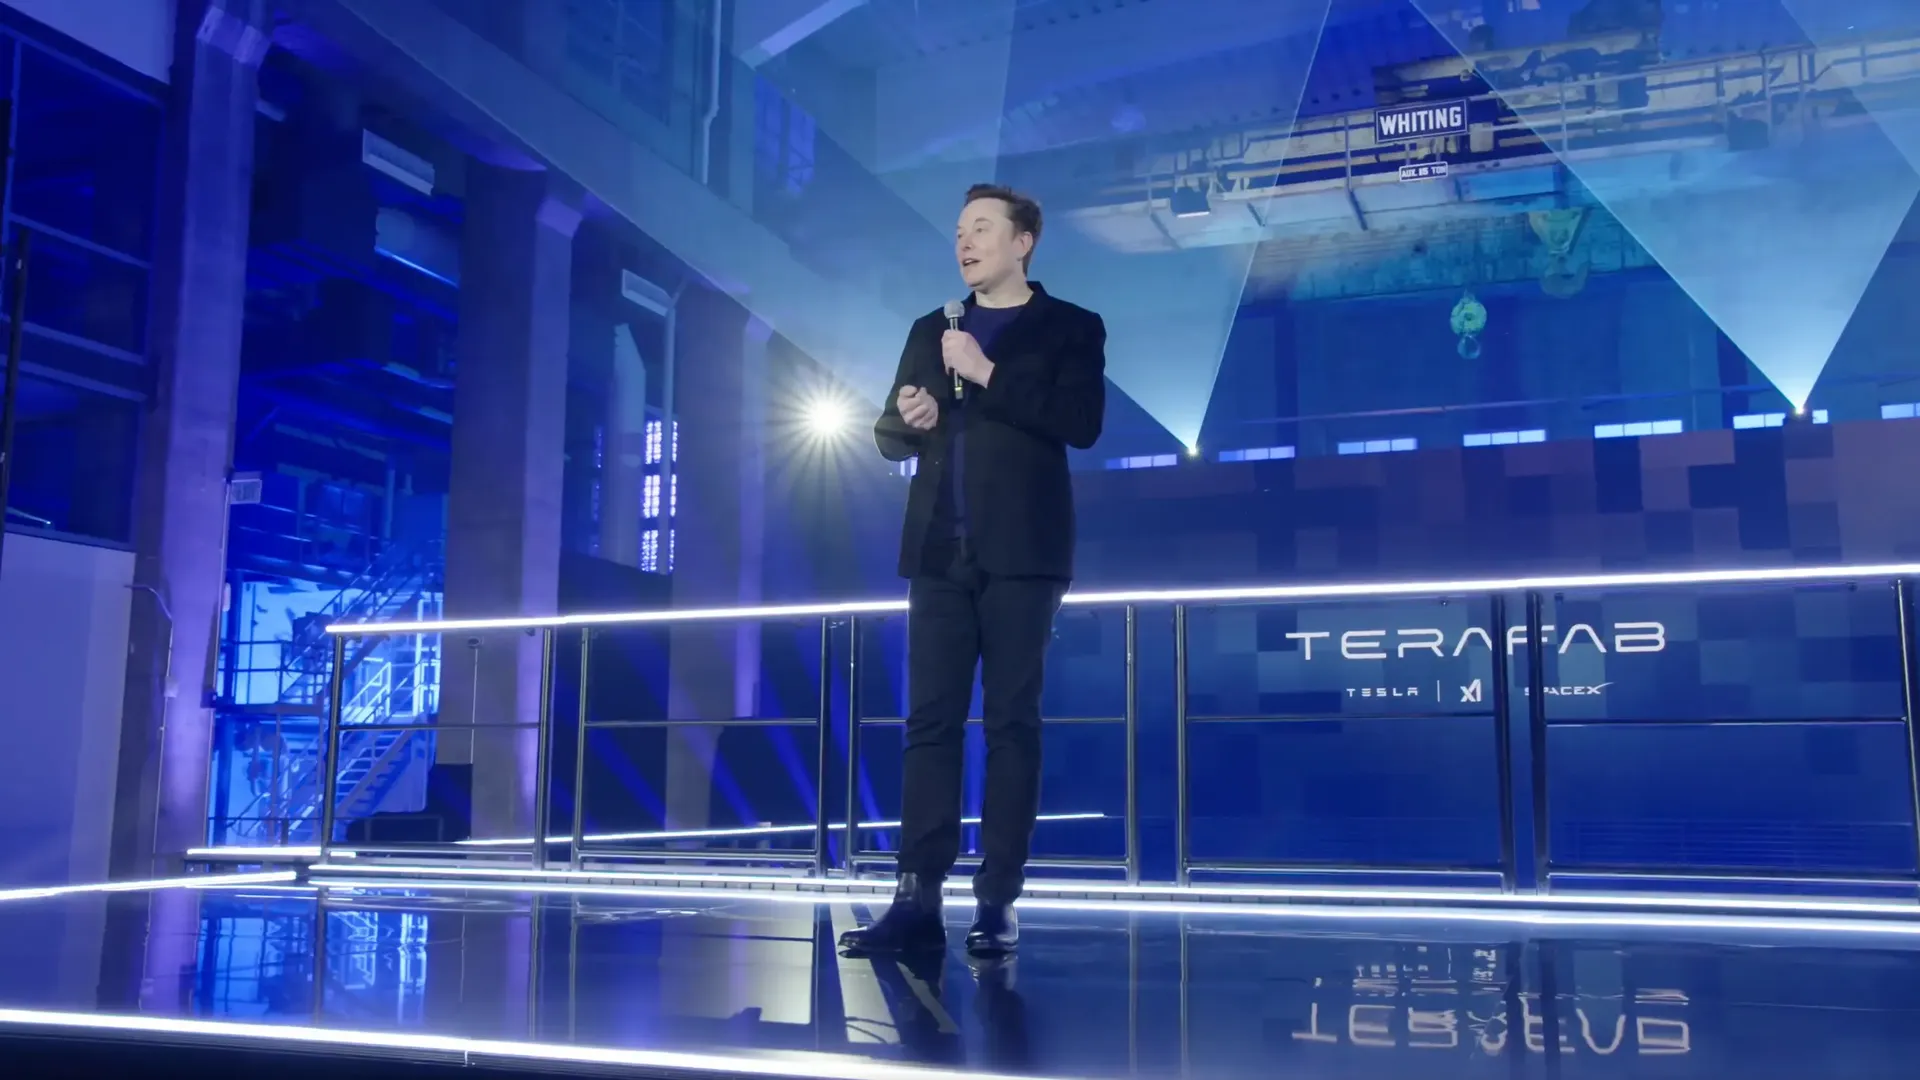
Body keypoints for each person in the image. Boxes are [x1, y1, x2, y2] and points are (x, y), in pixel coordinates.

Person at [841, 183, 1106, 957]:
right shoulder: (934, 327)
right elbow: (890, 431)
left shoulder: (1071, 326)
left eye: (982, 228)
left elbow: (1081, 423)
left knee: (1011, 723)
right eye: (959, 230)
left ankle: (997, 900)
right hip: (937, 551)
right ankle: (915, 898)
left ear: (1023, 242)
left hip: (1024, 552)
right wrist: (907, 419)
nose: (964, 242)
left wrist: (987, 373)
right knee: (929, 723)